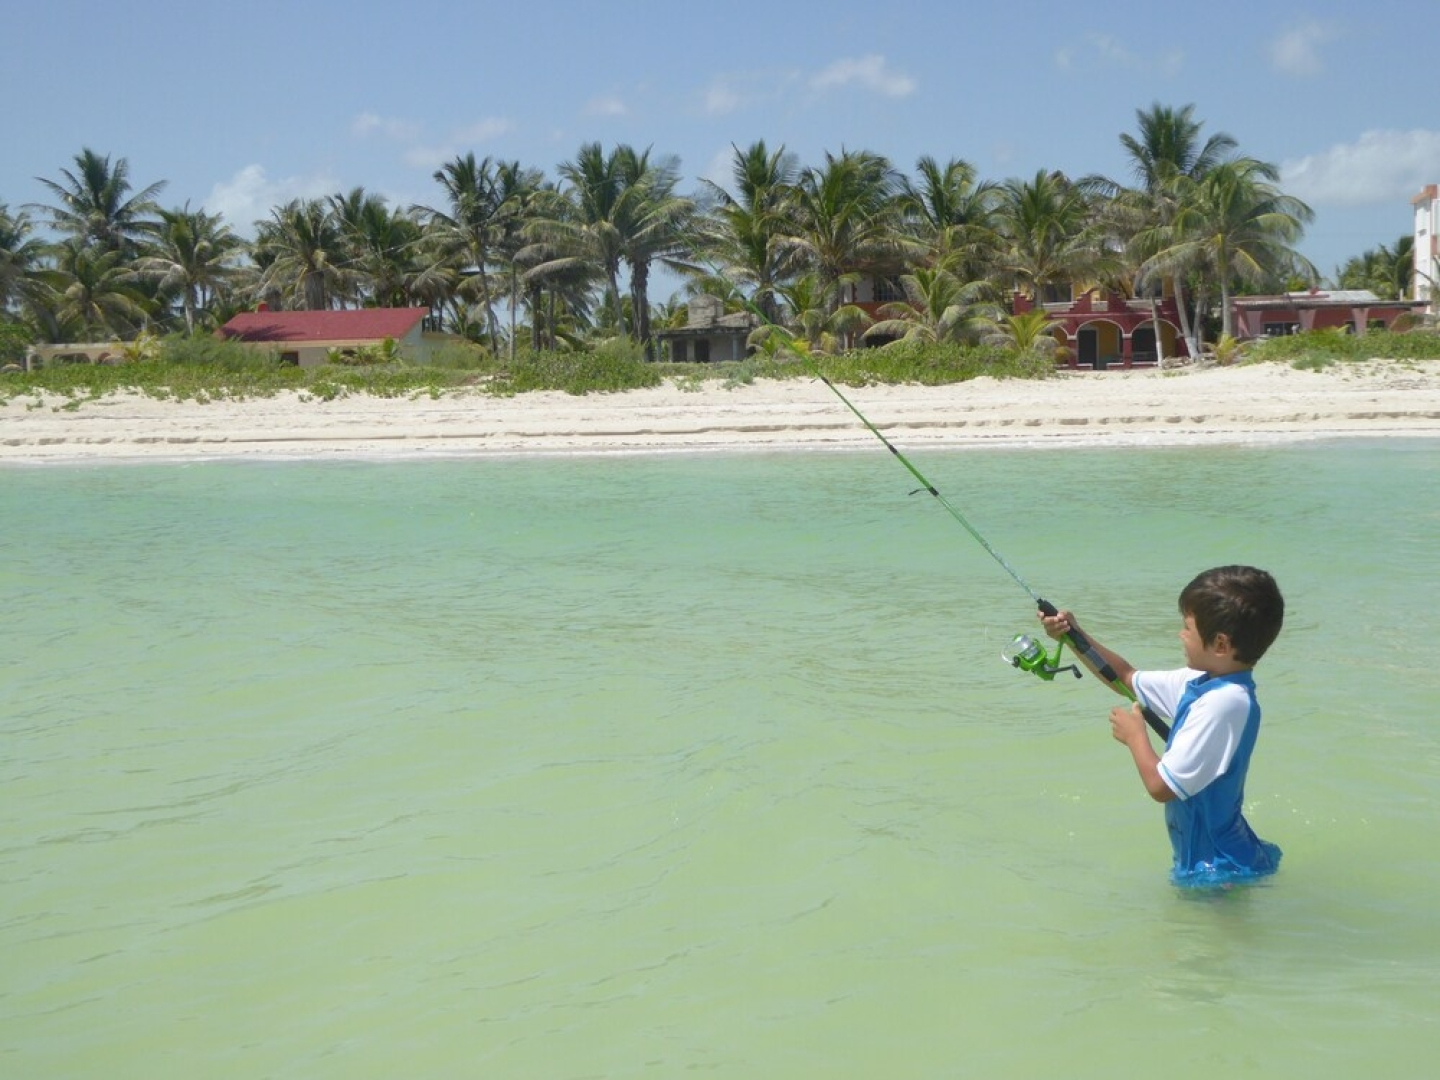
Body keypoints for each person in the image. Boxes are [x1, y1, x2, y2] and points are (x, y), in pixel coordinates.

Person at [1039, 565, 1285, 886]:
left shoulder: (1226, 703)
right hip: (1207, 858)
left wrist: (1136, 737)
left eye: (1187, 627)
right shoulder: (1203, 681)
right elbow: (1125, 677)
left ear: (1221, 644)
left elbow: (1161, 787)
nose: (1180, 635)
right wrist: (1075, 635)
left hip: (1221, 870)